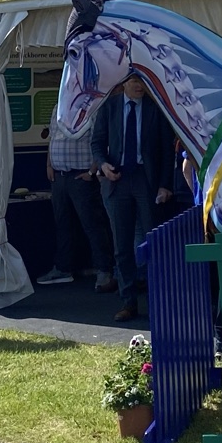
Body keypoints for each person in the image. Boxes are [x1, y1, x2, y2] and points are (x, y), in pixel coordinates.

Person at [91, 76, 175, 322]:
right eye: (135, 81)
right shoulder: (109, 107)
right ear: (124, 83)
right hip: (117, 179)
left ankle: (158, 301)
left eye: (142, 81)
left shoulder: (155, 109)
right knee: (122, 246)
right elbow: (97, 142)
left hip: (145, 180)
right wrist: (103, 165)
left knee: (152, 243)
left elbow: (166, 149)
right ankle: (128, 302)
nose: (139, 86)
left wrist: (165, 185)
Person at [35, 119, 115, 292]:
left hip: (81, 175)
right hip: (59, 176)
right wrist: (49, 164)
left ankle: (104, 270)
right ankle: (63, 268)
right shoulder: (58, 108)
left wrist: (92, 171)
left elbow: (100, 141)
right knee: (63, 224)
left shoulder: (92, 108)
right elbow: (52, 137)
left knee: (93, 225)